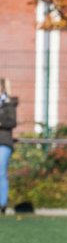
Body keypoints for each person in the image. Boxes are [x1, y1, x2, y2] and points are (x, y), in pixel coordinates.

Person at [0, 78, 18, 215]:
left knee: (1, 172)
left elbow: (11, 122)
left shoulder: (8, 104)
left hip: (3, 142)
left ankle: (2, 203)